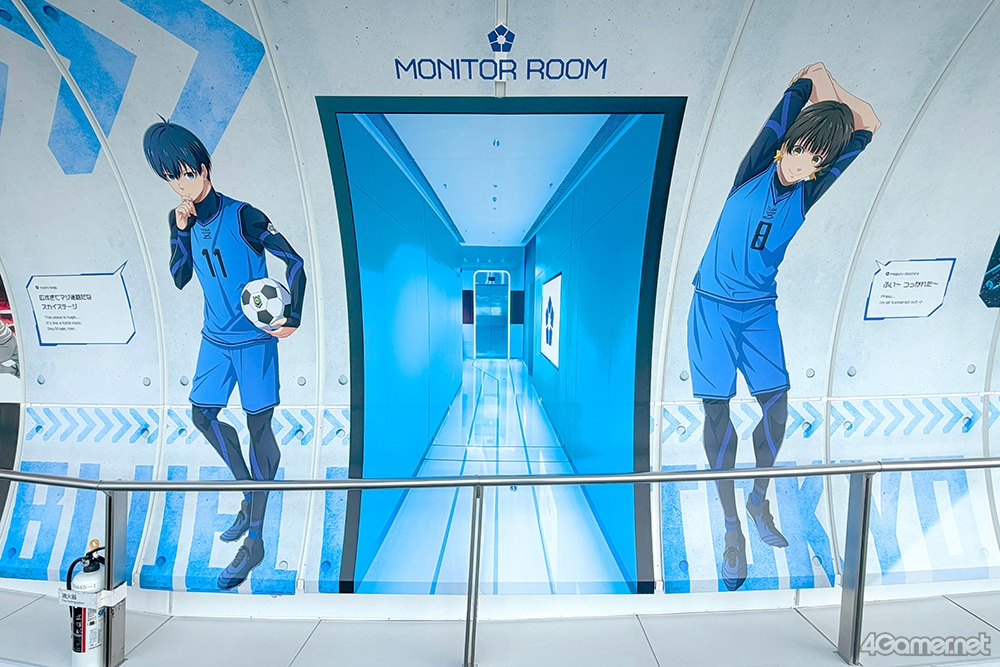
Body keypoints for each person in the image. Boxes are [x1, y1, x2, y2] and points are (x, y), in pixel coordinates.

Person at [688, 63, 879, 591]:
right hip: (711, 310)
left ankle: (757, 501)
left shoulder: (809, 190)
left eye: (815, 159)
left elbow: (870, 123)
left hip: (758, 314)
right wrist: (826, 101)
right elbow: (812, 74)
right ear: (786, 145)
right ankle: (733, 530)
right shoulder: (755, 168)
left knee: (777, 413)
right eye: (798, 150)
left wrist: (835, 123)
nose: (801, 164)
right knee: (718, 416)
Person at [143, 120, 306, 590]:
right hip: (214, 340)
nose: (181, 185)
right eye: (170, 178)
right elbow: (180, 278)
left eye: (185, 173)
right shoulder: (182, 220)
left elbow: (294, 262)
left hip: (254, 342)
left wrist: (292, 316)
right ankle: (249, 496)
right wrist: (178, 233)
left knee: (258, 429)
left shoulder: (244, 216)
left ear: (203, 168)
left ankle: (255, 539)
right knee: (203, 415)